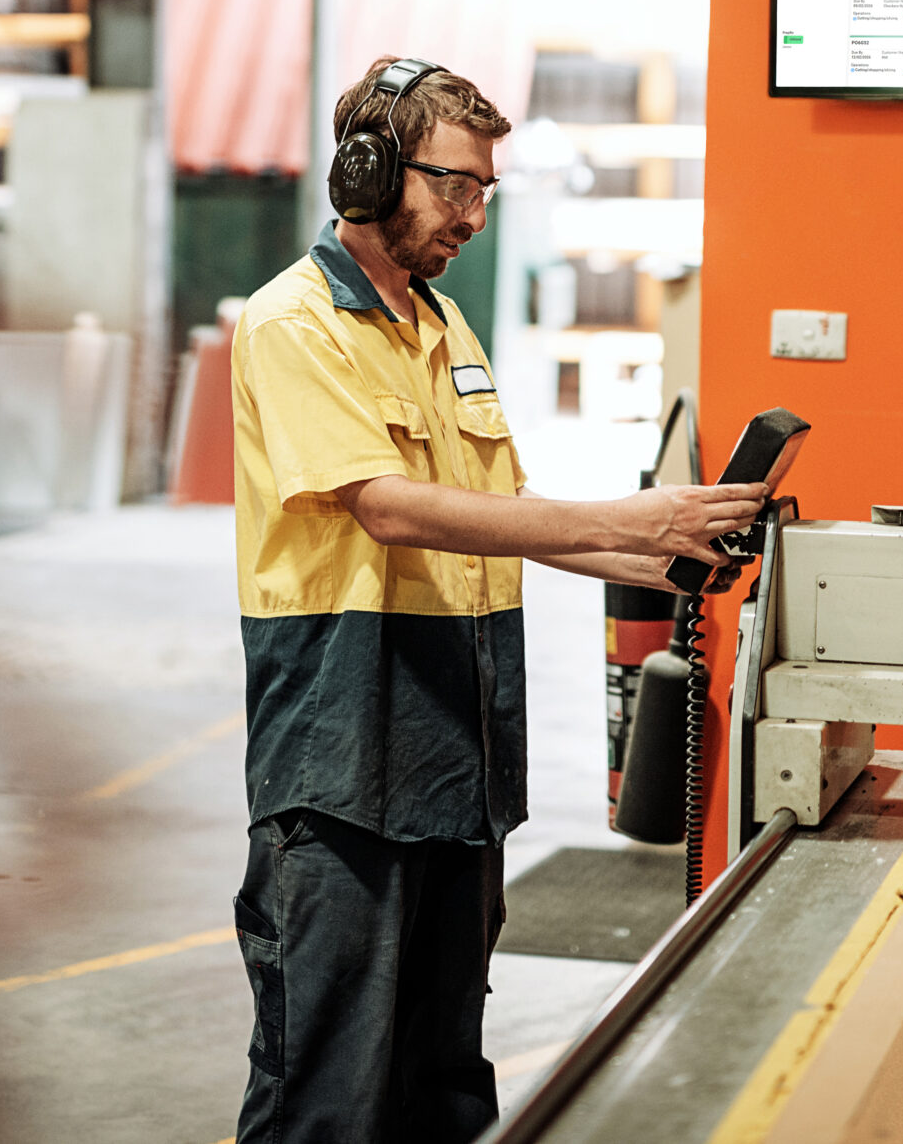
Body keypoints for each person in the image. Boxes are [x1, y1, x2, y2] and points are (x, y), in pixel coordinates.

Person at [228, 56, 766, 1144]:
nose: (473, 215)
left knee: (440, 1092)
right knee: (327, 1099)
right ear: (371, 172)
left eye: (485, 191)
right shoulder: (298, 324)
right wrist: (629, 517)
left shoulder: (439, 326)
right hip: (343, 772)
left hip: (455, 767)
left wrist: (673, 559)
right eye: (455, 185)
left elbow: (497, 508)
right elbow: (393, 510)